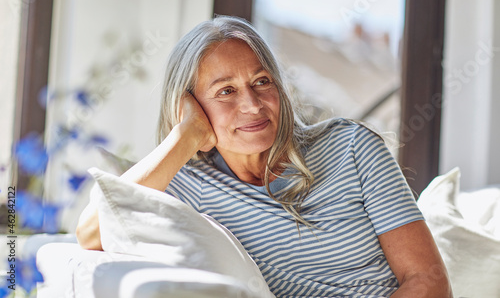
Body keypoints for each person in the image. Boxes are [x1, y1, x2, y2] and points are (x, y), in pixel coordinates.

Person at [77, 16, 453, 297]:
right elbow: (92, 232)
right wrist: (184, 138)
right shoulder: (185, 182)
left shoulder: (351, 147)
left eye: (261, 82)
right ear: (189, 105)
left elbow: (428, 282)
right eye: (225, 91)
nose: (253, 105)